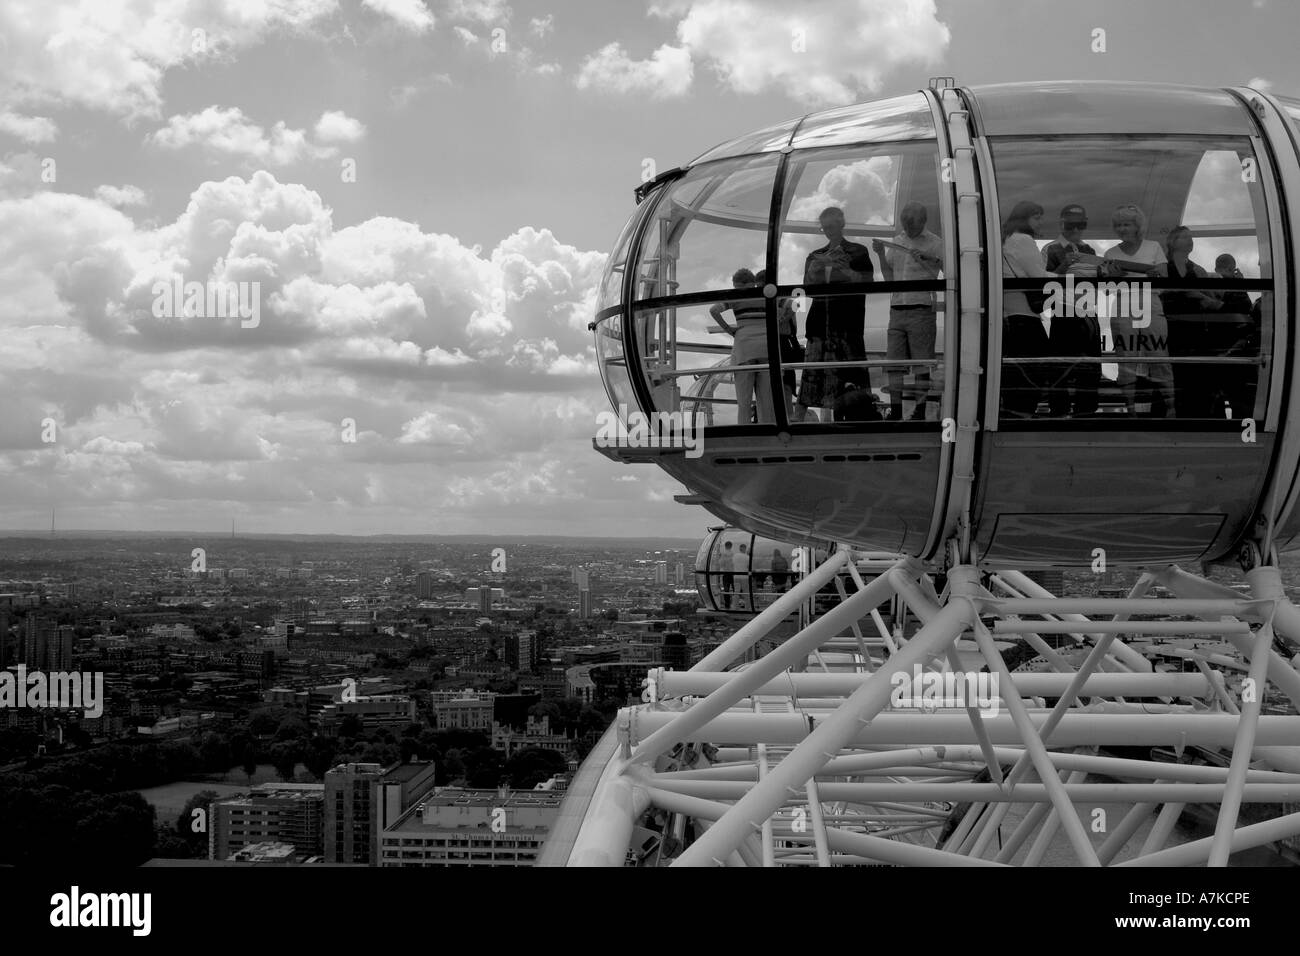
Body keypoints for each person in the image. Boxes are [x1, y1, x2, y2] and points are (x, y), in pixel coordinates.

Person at [798, 207, 877, 422]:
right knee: (814, 373)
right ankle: (800, 419)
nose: (828, 231)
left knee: (848, 375)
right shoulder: (814, 256)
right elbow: (806, 288)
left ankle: (853, 417)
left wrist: (846, 270)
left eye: (831, 227)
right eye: (824, 228)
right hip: (820, 322)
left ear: (841, 224)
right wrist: (815, 270)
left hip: (847, 324)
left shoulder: (857, 252)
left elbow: (867, 283)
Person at [1099, 203, 1172, 417]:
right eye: (1119, 225)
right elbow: (1105, 290)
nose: (1122, 229)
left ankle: (1171, 408)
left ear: (1136, 226)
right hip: (1122, 303)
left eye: (1126, 224)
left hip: (1151, 301)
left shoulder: (1153, 247)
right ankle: (1131, 411)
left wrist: (1153, 275)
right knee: (1125, 357)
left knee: (1159, 355)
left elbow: (1164, 278)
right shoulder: (1110, 252)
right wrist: (1112, 277)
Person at [875, 201, 942, 421]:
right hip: (897, 308)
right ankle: (895, 412)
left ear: (923, 222)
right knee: (895, 363)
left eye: (912, 224)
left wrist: (928, 260)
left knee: (921, 365)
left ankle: (919, 412)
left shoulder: (934, 243)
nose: (909, 229)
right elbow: (889, 278)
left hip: (921, 308)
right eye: (906, 224)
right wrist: (880, 254)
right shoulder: (898, 241)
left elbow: (946, 272)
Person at [1040, 203, 1102, 417]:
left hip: (1088, 312)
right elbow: (1043, 284)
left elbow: (1095, 284)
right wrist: (1063, 267)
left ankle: (1086, 413)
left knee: (1090, 369)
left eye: (1081, 225)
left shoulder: (1090, 250)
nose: (1076, 230)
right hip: (1064, 313)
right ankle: (1059, 412)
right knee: (1061, 368)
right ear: (1062, 223)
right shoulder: (1050, 249)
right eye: (1071, 225)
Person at [1158, 226, 1222, 418]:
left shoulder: (1199, 270)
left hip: (1196, 332)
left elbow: (1212, 302)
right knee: (1170, 375)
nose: (1190, 240)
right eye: (1185, 237)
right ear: (1172, 242)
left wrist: (1199, 296)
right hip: (1169, 331)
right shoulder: (1162, 268)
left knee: (1195, 379)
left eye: (1191, 237)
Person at [1000, 200, 1052, 418]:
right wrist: (1070, 276)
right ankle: (1024, 416)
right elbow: (1039, 277)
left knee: (1016, 375)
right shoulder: (1023, 240)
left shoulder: (1007, 241)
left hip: (1009, 316)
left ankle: (1015, 413)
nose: (1041, 222)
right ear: (1024, 219)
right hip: (1025, 317)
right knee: (1034, 373)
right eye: (1037, 217)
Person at [710, 268, 772, 424]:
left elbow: (714, 310)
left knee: (743, 401)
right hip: (766, 348)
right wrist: (778, 321)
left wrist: (729, 329)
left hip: (744, 349)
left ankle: (745, 429)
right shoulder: (765, 295)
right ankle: (767, 432)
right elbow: (793, 305)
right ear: (752, 282)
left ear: (737, 284)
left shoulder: (736, 297)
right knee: (766, 401)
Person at [1213, 253, 1259, 420]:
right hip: (1235, 352)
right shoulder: (1235, 290)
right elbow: (1245, 309)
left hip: (1217, 349)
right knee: (1239, 402)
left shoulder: (1211, 285)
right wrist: (1240, 284)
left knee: (1216, 401)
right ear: (1232, 269)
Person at [717, 539, 735, 610]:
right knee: (734, 589)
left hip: (726, 574)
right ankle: (735, 603)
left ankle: (727, 604)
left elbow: (720, 563)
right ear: (731, 546)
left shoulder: (723, 554)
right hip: (733, 573)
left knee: (726, 589)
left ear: (725, 546)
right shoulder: (733, 554)